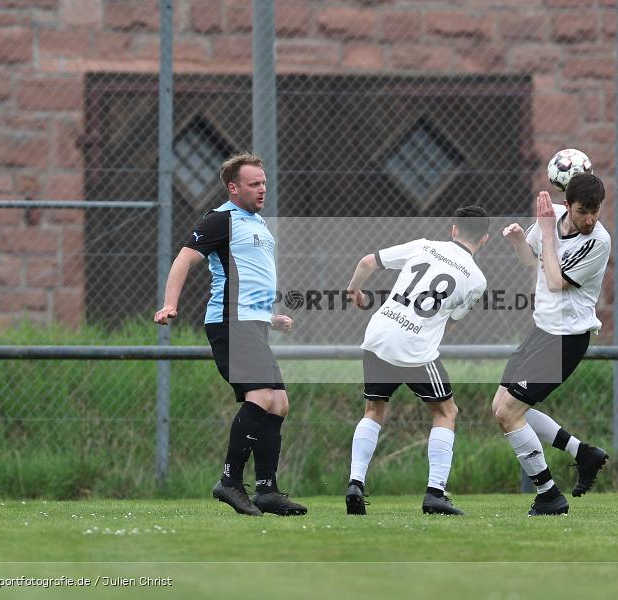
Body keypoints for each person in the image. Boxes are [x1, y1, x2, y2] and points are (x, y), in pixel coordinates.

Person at [154, 152, 307, 517]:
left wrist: (270, 319)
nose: (262, 190)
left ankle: (267, 490)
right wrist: (169, 303)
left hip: (252, 324)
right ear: (234, 187)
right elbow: (184, 258)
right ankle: (230, 481)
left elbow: (248, 281)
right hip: (229, 324)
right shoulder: (221, 220)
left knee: (279, 403)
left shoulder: (258, 225)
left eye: (264, 183)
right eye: (254, 184)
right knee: (260, 397)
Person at [343, 206, 490, 516]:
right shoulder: (477, 280)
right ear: (485, 240)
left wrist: (353, 290)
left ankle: (355, 483)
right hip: (413, 347)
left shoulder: (424, 246)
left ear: (453, 229)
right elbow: (451, 320)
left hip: (379, 334)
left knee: (374, 408)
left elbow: (367, 261)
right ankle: (435, 493)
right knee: (446, 412)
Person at [493, 173, 611, 516]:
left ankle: (548, 496)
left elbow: (557, 281)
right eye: (582, 211)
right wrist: (519, 240)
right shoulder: (552, 222)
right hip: (541, 330)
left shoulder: (598, 241)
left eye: (595, 211)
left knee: (508, 413)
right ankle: (583, 454)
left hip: (566, 339)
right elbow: (533, 263)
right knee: (501, 406)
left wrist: (544, 232)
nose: (589, 219)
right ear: (567, 206)